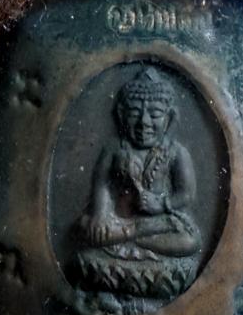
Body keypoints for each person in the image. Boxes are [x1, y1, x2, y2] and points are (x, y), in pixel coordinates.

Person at [77, 67, 201, 268]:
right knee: (85, 227)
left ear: (170, 117)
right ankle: (132, 235)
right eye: (134, 113)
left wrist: (161, 204)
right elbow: (102, 183)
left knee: (191, 240)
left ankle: (131, 239)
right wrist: (100, 214)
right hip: (120, 219)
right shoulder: (114, 148)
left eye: (155, 114)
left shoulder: (176, 152)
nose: (144, 122)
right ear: (121, 115)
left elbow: (186, 194)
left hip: (159, 222)